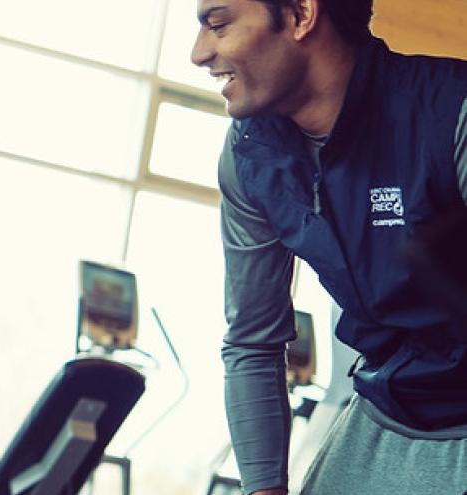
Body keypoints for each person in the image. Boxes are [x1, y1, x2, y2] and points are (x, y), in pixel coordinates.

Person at [191, 0, 467, 493]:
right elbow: (254, 341)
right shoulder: (251, 157)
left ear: (299, 15)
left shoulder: (451, 112)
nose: (199, 53)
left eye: (218, 24)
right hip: (385, 411)